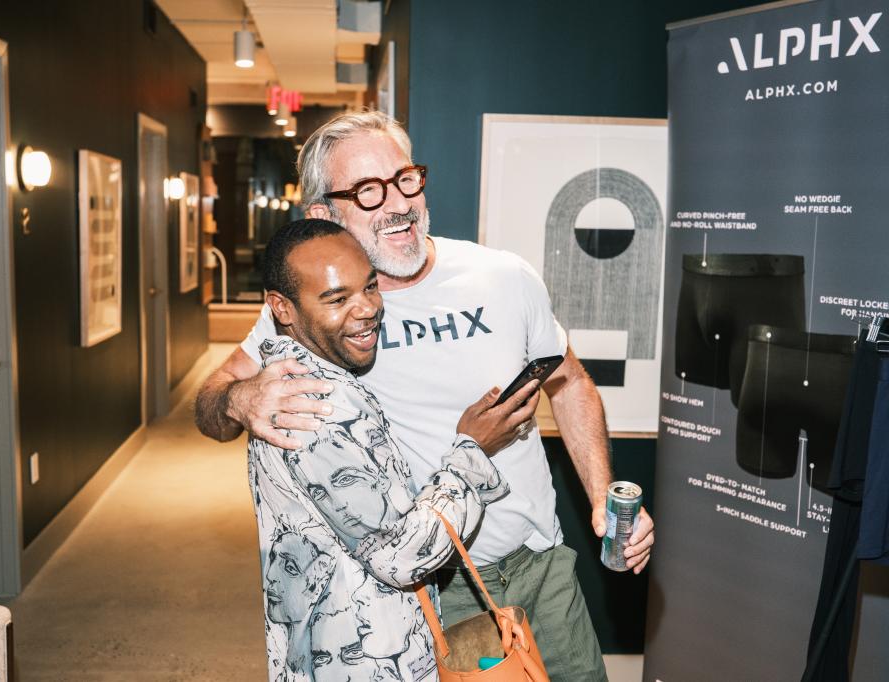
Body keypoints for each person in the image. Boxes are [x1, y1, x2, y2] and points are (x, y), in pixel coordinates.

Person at [196, 111, 656, 681]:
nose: (397, 203)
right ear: (323, 214)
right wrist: (239, 400)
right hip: (440, 586)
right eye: (367, 191)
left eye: (404, 178)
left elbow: (570, 382)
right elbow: (211, 400)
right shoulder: (315, 310)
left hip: (544, 561)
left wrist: (601, 495)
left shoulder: (502, 275)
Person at [246, 218, 539, 681]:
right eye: (337, 299)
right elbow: (406, 557)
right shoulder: (318, 408)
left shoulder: (296, 383)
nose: (366, 309)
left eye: (369, 287)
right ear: (282, 308)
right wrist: (474, 449)